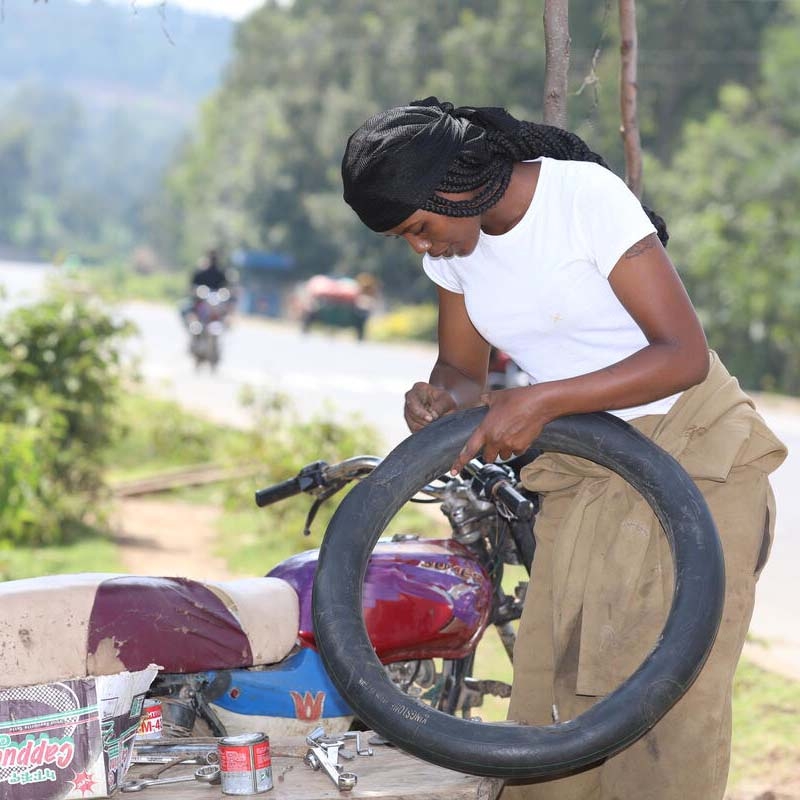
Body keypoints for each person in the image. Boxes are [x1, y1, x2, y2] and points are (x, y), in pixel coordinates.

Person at [340, 97, 787, 800]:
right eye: (406, 237)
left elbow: (683, 355)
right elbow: (462, 372)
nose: (420, 247)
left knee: (670, 708)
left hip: (697, 456)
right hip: (589, 468)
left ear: (451, 181)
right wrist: (437, 399)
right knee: (558, 695)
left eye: (419, 227)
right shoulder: (460, 254)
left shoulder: (582, 198)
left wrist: (542, 399)